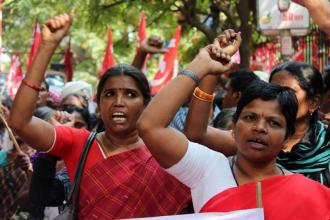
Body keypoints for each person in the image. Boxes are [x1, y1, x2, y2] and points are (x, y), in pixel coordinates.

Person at [9, 14, 190, 219]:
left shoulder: (164, 150)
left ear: (146, 104)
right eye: (110, 94)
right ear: (99, 103)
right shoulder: (79, 143)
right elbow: (20, 123)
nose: (119, 102)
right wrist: (47, 45)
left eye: (130, 95)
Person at [137, 33, 330, 219]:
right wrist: (202, 65)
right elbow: (150, 126)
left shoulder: (310, 195)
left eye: (274, 123)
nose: (259, 128)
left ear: (287, 136)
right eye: (249, 118)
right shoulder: (208, 168)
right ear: (234, 127)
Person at [269, 61, 330, 187]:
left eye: (288, 92)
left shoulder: (326, 144)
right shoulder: (257, 140)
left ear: (313, 102)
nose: (277, 99)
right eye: (273, 91)